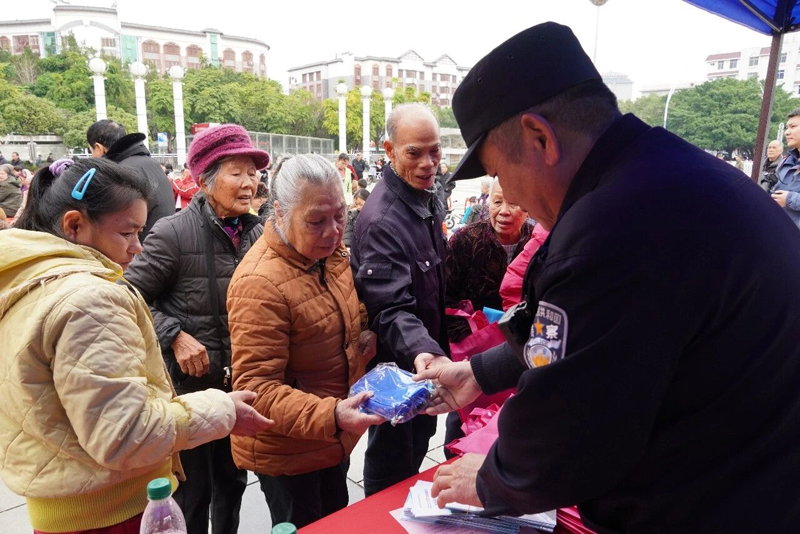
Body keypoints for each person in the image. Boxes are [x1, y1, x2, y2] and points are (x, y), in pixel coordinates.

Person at [416, 22, 800, 533]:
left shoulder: (612, 228)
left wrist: (492, 480)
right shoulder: (667, 174)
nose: (510, 194)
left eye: (500, 173)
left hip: (716, 502)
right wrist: (478, 373)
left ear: (539, 137)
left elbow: (568, 432)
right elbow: (583, 337)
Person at [0, 157, 271, 534]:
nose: (138, 247)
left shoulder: (28, 279)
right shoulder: (90, 300)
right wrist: (221, 408)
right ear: (75, 225)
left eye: (252, 174)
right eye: (128, 233)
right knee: (196, 497)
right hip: (111, 511)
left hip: (69, 502)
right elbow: (124, 434)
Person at [124, 124, 269, 534]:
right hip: (190, 393)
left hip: (239, 386)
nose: (249, 183)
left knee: (233, 483)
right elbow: (127, 296)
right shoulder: (172, 233)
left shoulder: (258, 233)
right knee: (193, 493)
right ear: (204, 182)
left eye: (253, 173)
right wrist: (173, 335)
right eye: (236, 173)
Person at [227, 154, 383, 528]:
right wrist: (333, 415)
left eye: (340, 216)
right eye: (316, 221)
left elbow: (339, 307)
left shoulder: (328, 254)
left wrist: (362, 332)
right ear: (280, 214)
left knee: (335, 519)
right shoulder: (259, 284)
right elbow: (257, 391)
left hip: (331, 436)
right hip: (289, 453)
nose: (333, 231)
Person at [351, 103, 450, 496]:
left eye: (434, 151)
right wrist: (425, 350)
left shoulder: (425, 196)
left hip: (426, 362)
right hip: (399, 370)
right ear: (389, 151)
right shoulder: (382, 220)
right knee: (391, 467)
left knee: (418, 447)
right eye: (414, 153)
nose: (428, 163)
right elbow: (389, 308)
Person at [442, 178, 532, 453]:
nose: (504, 210)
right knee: (462, 420)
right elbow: (445, 298)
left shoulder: (539, 243)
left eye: (513, 203)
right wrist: (469, 337)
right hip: (472, 354)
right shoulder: (464, 240)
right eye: (497, 202)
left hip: (520, 355)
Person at [87, 120, 175, 241]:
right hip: (163, 244)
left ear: (99, 148)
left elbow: (117, 225)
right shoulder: (151, 163)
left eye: (91, 151)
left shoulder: (121, 173)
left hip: (142, 248)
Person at [772, 108, 800, 228]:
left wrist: (789, 199)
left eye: (793, 127)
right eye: (787, 127)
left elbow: (786, 198)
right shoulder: (786, 162)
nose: (787, 132)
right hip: (780, 230)